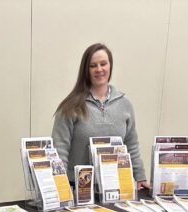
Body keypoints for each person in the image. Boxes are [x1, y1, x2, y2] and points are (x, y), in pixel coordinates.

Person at [52, 43, 150, 190]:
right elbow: (60, 149)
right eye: (93, 66)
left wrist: (140, 176)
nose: (99, 69)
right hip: (77, 187)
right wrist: (60, 186)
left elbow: (132, 145)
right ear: (86, 70)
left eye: (103, 64)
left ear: (110, 66)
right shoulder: (70, 106)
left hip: (115, 186)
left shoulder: (125, 104)